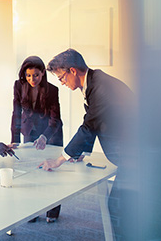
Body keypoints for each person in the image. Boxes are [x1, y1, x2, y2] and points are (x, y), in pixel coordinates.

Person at [38, 48, 134, 238]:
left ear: (73, 70)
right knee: (121, 208)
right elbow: (96, 120)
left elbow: (89, 126)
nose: (62, 83)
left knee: (119, 208)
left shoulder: (101, 88)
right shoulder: (95, 83)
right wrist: (80, 152)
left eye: (61, 77)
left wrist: (59, 160)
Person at [10, 56, 63, 222]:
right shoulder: (19, 86)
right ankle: (31, 210)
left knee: (51, 173)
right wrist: (15, 139)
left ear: (43, 74)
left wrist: (44, 137)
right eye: (28, 75)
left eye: (36, 75)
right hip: (29, 131)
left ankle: (52, 212)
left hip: (51, 133)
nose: (32, 79)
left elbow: (56, 119)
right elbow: (16, 113)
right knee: (30, 172)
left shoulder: (52, 90)